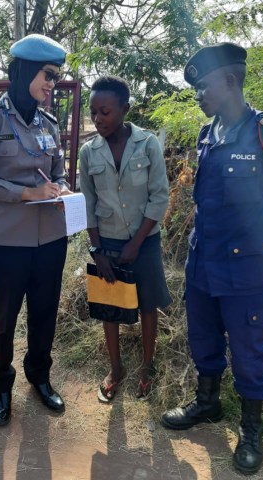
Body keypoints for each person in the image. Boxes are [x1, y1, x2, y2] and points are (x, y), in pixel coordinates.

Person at [160, 43, 263, 475]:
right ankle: (207, 404)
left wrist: (260, 234)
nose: (198, 95)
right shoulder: (208, 135)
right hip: (203, 261)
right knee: (203, 338)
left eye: (203, 86)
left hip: (246, 266)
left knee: (249, 349)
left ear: (230, 81)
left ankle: (251, 431)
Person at [0, 34, 71, 427]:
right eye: (47, 75)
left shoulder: (49, 122)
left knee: (44, 314)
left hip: (50, 240)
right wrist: (28, 193)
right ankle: (2, 387)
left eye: (55, 77)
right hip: (7, 240)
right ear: (25, 70)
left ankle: (40, 379)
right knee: (4, 318)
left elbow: (57, 171)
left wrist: (61, 187)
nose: (51, 84)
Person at [79, 75, 171, 402]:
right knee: (109, 307)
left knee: (147, 305)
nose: (98, 118)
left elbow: (160, 197)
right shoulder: (88, 152)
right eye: (93, 112)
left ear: (124, 109)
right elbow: (86, 203)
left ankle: (147, 367)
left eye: (105, 111)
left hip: (144, 241)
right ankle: (115, 369)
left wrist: (136, 243)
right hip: (108, 243)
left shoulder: (147, 145)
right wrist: (96, 249)